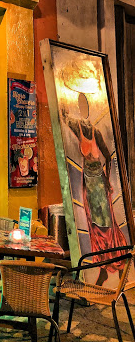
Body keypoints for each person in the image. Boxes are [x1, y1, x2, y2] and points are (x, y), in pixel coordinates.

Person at [62, 92, 127, 285]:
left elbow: (108, 155)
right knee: (94, 226)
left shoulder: (95, 132)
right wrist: (64, 104)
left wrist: (107, 180)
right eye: (80, 106)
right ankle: (102, 269)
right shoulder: (78, 127)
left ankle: (116, 264)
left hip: (98, 181)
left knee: (106, 223)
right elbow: (64, 119)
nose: (82, 110)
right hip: (88, 183)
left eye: (84, 106)